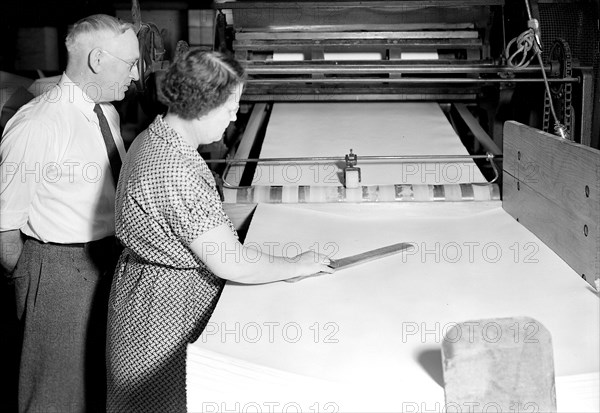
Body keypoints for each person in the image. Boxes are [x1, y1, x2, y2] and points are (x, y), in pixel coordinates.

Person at [106, 50, 334, 413]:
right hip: (166, 308)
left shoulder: (157, 136)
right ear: (200, 107)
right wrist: (296, 264)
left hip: (146, 291)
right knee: (167, 403)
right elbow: (232, 264)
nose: (233, 117)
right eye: (229, 108)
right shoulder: (174, 166)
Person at [0, 14, 139, 412]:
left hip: (110, 261)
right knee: (56, 394)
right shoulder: (39, 124)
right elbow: (4, 227)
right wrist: (36, 278)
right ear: (97, 60)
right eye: (129, 63)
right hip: (59, 271)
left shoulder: (107, 114)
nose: (134, 76)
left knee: (98, 387)